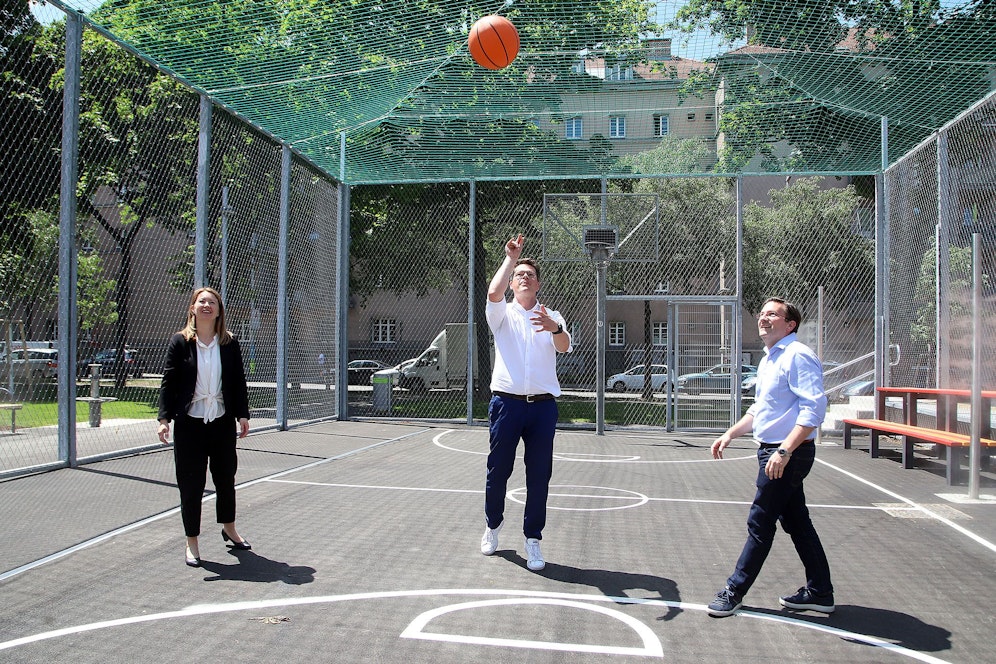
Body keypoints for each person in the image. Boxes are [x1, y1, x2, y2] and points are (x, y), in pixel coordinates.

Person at [707, 297, 834, 617]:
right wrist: (729, 434)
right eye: (762, 313)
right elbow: (760, 411)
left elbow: (814, 409)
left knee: (760, 520)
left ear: (790, 324)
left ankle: (734, 590)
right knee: (797, 522)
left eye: (772, 315)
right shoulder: (770, 359)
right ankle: (820, 591)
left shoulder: (798, 356)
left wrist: (784, 450)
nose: (763, 318)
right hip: (775, 450)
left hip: (788, 453)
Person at [480, 233, 572, 571]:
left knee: (539, 475)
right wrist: (510, 257)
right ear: (513, 284)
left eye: (529, 275)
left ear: (538, 285)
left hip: (543, 407)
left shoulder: (553, 315)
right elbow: (492, 292)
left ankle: (533, 538)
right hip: (507, 404)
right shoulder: (502, 314)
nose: (523, 277)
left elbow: (563, 347)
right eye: (519, 274)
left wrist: (554, 328)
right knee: (498, 470)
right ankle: (492, 526)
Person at [158, 287, 252, 568]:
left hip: (221, 421)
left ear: (219, 310)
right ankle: (192, 542)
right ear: (193, 308)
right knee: (191, 484)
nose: (207, 305)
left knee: (226, 479)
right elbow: (169, 382)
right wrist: (164, 419)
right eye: (202, 302)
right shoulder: (180, 342)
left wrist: (242, 415)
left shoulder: (229, 343)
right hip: (190, 424)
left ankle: (229, 528)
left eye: (212, 302)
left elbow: (237, 381)